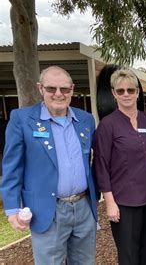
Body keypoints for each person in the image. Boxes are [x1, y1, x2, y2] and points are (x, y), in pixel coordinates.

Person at [1, 66, 98, 264]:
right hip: (47, 210)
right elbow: (12, 166)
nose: (58, 94)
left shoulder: (86, 120)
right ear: (40, 89)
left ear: (72, 89)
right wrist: (12, 209)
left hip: (83, 208)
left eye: (65, 89)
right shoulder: (22, 119)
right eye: (51, 88)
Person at [93, 68, 146, 265]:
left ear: (137, 93)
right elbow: (101, 165)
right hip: (124, 202)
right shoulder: (108, 125)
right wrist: (109, 202)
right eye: (120, 90)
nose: (126, 95)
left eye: (130, 90)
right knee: (129, 254)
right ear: (114, 93)